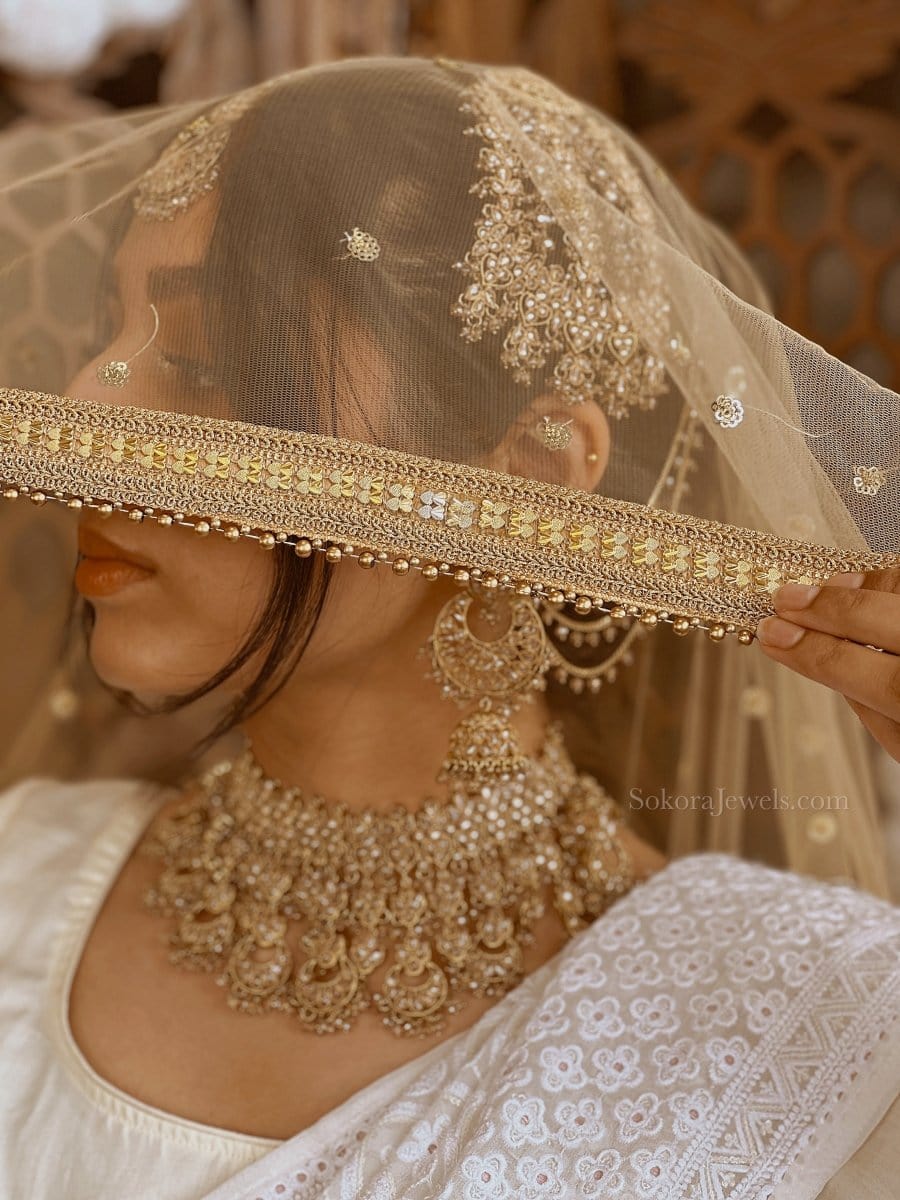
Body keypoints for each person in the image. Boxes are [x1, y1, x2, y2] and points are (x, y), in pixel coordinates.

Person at [0, 56, 898, 1199]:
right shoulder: (21, 878)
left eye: (199, 359)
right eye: (103, 338)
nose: (83, 408)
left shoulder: (808, 1025)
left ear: (530, 470)